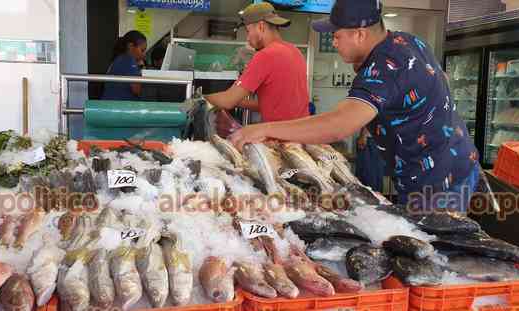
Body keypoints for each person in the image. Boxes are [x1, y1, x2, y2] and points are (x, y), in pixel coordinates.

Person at [230, 0, 480, 212]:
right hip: (454, 162)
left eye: (337, 36)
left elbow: (340, 124)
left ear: (360, 34)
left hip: (436, 184)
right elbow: (441, 79)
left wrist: (263, 129)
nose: (334, 43)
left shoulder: (383, 65)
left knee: (432, 258)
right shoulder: (406, 41)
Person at [205, 2, 310, 128]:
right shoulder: (295, 51)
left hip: (280, 138)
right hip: (301, 134)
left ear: (261, 26)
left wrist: (201, 98)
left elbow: (227, 101)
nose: (248, 38)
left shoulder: (266, 55)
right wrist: (239, 101)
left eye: (248, 31)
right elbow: (271, 104)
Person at [102, 30, 147, 101]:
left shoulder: (120, 58)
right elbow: (138, 90)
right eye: (142, 50)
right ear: (131, 46)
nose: (144, 55)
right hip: (118, 107)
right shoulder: (128, 60)